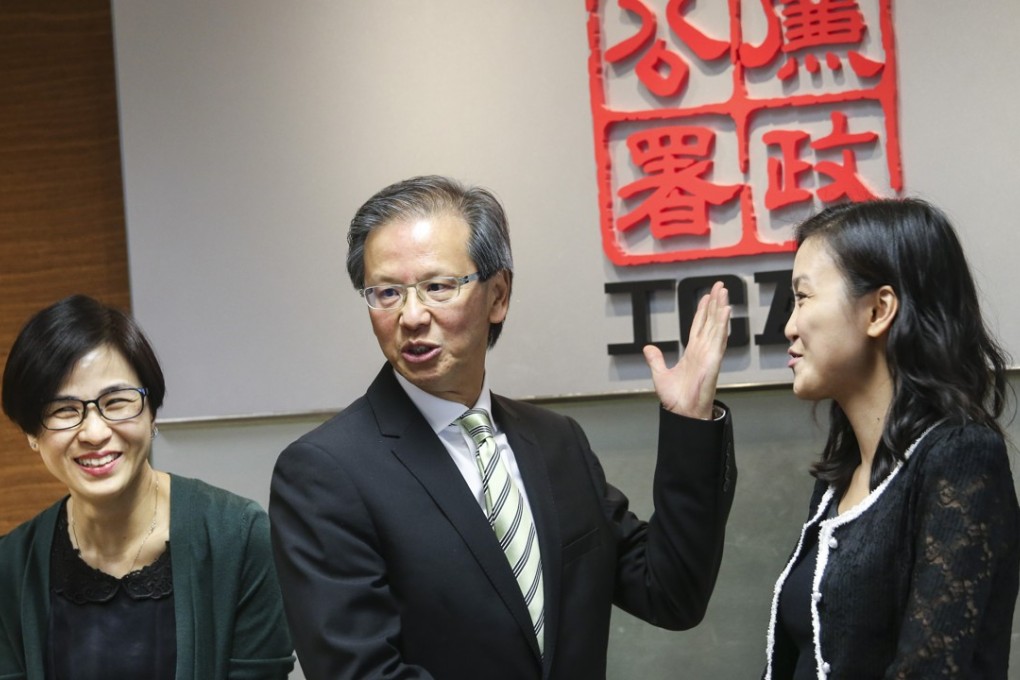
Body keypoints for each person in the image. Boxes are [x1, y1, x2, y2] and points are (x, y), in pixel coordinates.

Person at [269, 174, 737, 680]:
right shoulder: (325, 473)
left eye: (437, 287)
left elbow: (670, 594)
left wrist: (690, 423)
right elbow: (360, 672)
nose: (411, 316)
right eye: (385, 292)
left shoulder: (557, 442)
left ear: (498, 296)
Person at [764, 198, 1020, 679]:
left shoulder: (960, 456)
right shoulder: (842, 475)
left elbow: (931, 669)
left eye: (802, 298)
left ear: (879, 310)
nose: (789, 327)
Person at [0, 295, 294, 679]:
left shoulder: (238, 537)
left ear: (152, 411)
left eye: (116, 402)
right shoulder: (10, 566)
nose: (94, 432)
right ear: (32, 434)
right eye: (63, 410)